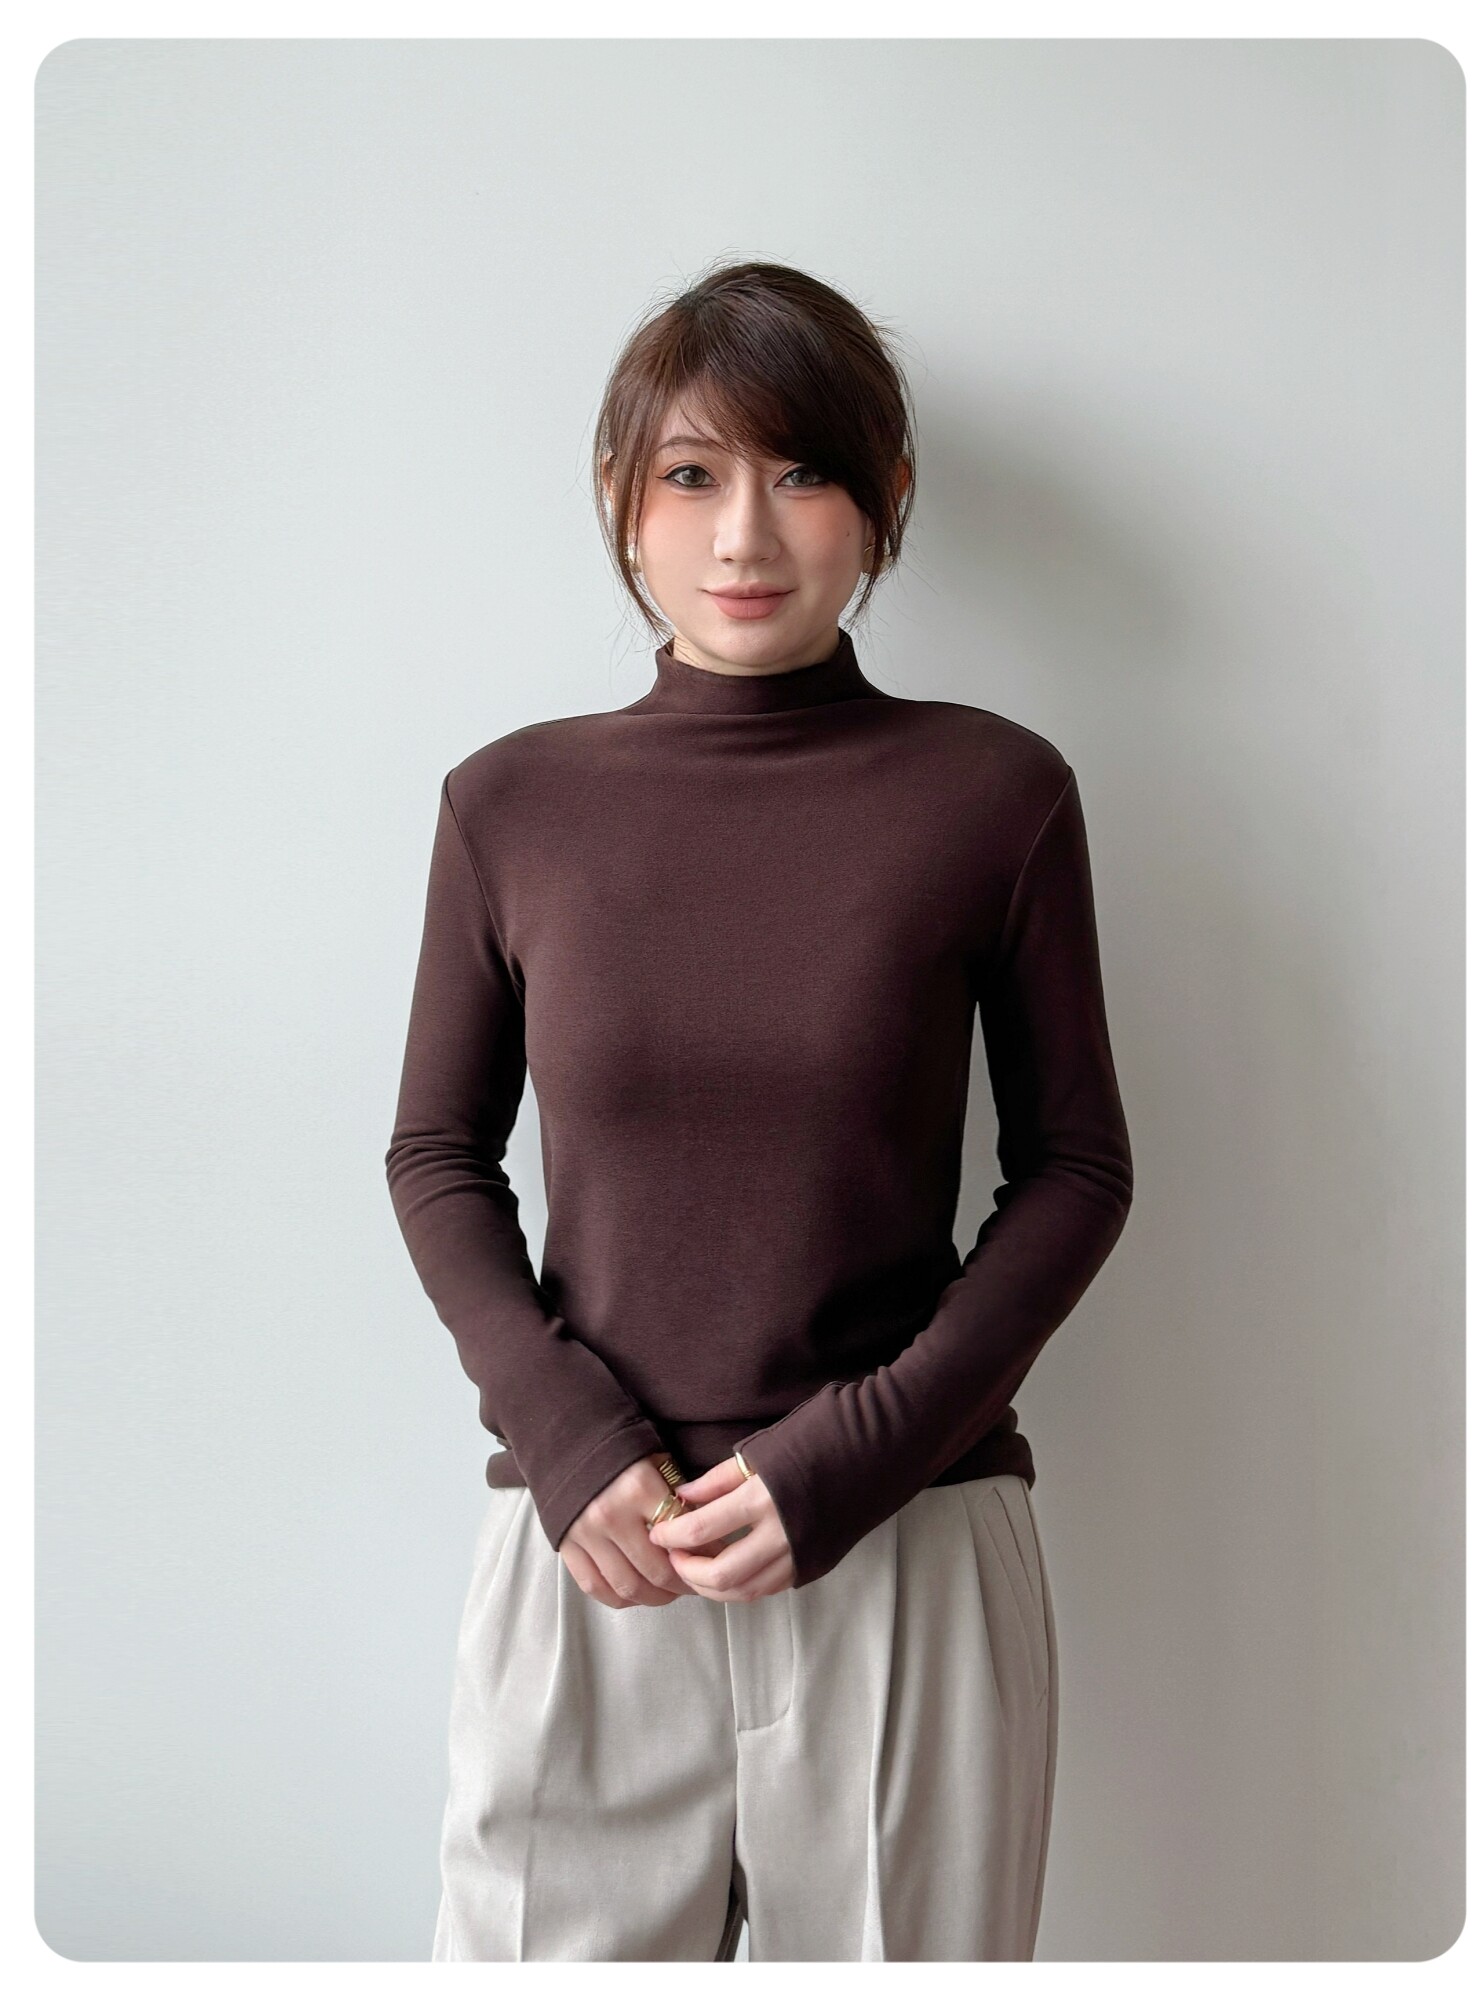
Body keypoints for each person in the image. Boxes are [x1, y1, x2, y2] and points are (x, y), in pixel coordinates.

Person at [384, 258, 1133, 1962]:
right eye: (691, 475)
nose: (743, 535)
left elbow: (1077, 1169)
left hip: (907, 1538)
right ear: (620, 499)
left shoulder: (994, 793)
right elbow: (437, 1154)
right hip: (593, 1547)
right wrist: (568, 1437)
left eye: (802, 474)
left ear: (884, 503)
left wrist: (863, 1450)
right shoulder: (510, 805)